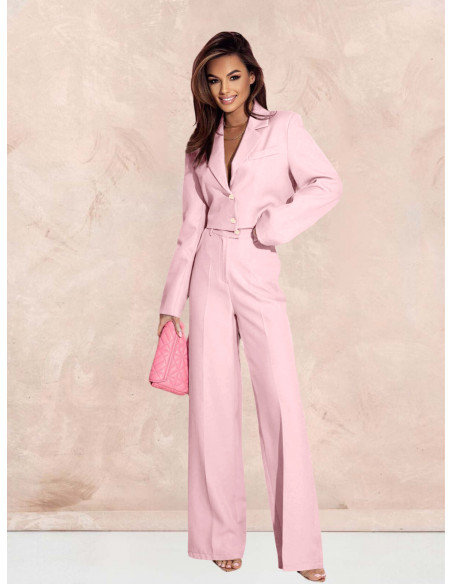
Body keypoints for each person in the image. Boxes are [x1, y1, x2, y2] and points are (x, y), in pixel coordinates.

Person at [157, 32, 342, 582]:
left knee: (281, 400)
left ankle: (303, 549)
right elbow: (190, 227)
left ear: (253, 77)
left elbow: (326, 183)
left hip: (258, 264)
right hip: (208, 270)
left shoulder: (283, 127)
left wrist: (273, 226)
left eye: (234, 76)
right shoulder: (198, 146)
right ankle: (220, 536)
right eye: (214, 80)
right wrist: (171, 302)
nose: (225, 89)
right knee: (212, 404)